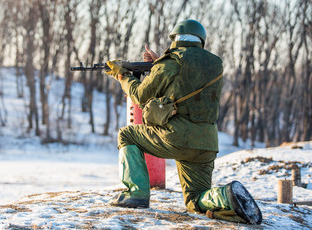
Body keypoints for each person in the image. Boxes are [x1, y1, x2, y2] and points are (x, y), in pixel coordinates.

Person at [104, 19, 262, 224]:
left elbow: (140, 95)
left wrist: (122, 75)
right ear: (200, 40)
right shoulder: (215, 63)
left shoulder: (171, 62)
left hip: (176, 138)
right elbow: (187, 79)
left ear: (175, 39)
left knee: (127, 134)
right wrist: (159, 62)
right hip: (206, 144)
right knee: (196, 199)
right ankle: (226, 195)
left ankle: (136, 194)